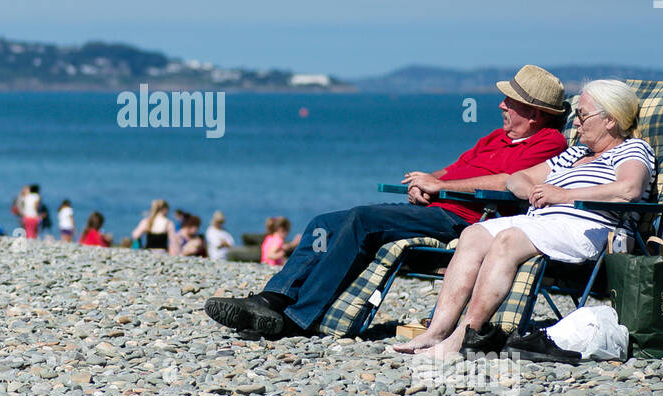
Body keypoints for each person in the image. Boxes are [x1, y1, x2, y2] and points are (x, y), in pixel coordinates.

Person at [204, 65, 570, 338]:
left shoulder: (548, 143)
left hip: (469, 222)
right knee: (325, 222)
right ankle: (271, 300)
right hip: (438, 208)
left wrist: (441, 188)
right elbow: (454, 169)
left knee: (362, 220)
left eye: (510, 102)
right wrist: (427, 183)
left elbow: (509, 184)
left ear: (534, 113)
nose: (502, 106)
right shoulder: (495, 137)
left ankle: (299, 318)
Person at [396, 80, 655, 358]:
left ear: (610, 121)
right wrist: (534, 190)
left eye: (582, 115)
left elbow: (630, 189)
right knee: (474, 234)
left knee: (509, 239)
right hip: (542, 222)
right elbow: (518, 178)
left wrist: (560, 195)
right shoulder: (576, 153)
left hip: (588, 229)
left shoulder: (632, 149)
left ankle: (465, 336)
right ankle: (436, 332)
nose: (575, 124)